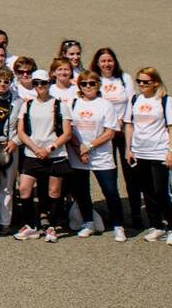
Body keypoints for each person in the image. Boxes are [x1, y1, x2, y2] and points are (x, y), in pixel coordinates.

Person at [14, 68, 74, 241]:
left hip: (55, 155)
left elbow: (67, 133)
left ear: (49, 84)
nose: (40, 86)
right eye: (37, 83)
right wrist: (36, 148)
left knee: (54, 192)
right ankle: (31, 226)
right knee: (25, 190)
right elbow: (21, 131)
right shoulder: (28, 104)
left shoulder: (60, 104)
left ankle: (52, 228)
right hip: (32, 154)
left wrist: (49, 149)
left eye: (43, 83)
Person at [66, 71, 124, 239]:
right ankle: (88, 222)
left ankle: (118, 225)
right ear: (80, 86)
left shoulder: (105, 104)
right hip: (78, 155)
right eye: (84, 84)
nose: (88, 87)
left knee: (110, 191)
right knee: (82, 191)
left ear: (98, 85)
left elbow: (110, 132)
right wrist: (79, 149)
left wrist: (89, 146)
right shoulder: (74, 103)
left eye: (92, 83)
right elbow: (69, 129)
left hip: (102, 156)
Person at [123, 67, 170, 240]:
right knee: (148, 191)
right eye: (139, 81)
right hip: (140, 152)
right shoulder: (134, 99)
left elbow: (171, 128)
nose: (141, 84)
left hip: (159, 152)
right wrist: (129, 148)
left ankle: (170, 225)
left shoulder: (164, 100)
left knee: (161, 191)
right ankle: (156, 225)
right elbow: (129, 124)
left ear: (155, 83)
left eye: (145, 82)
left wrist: (170, 152)